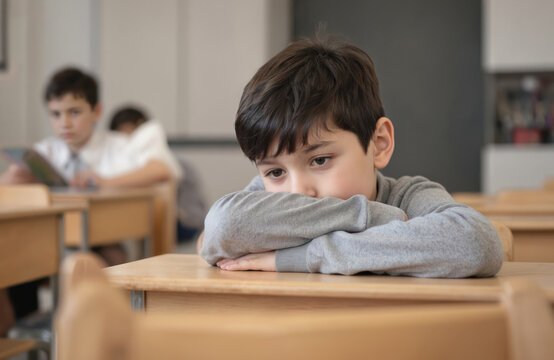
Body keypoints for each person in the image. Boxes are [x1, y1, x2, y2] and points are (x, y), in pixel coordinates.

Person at [198, 35, 503, 277]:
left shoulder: (408, 198)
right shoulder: (264, 200)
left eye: (320, 160)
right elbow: (220, 229)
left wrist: (299, 257)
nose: (298, 193)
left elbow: (476, 245)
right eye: (275, 172)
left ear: (379, 144)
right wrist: (368, 216)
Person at [108, 105, 207, 241]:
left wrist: (104, 182)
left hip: (185, 222)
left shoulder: (171, 165)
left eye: (127, 134)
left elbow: (161, 173)